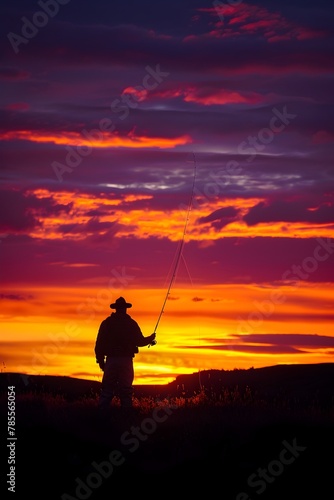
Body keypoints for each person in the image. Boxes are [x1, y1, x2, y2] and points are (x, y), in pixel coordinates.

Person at [95, 296, 156, 410]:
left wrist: (100, 361)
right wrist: (150, 338)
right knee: (126, 389)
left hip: (111, 360)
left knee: (107, 389)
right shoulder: (131, 323)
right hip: (126, 360)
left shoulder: (106, 323)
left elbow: (99, 344)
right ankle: (126, 415)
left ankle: (102, 415)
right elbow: (140, 341)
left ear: (115, 308)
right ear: (125, 308)